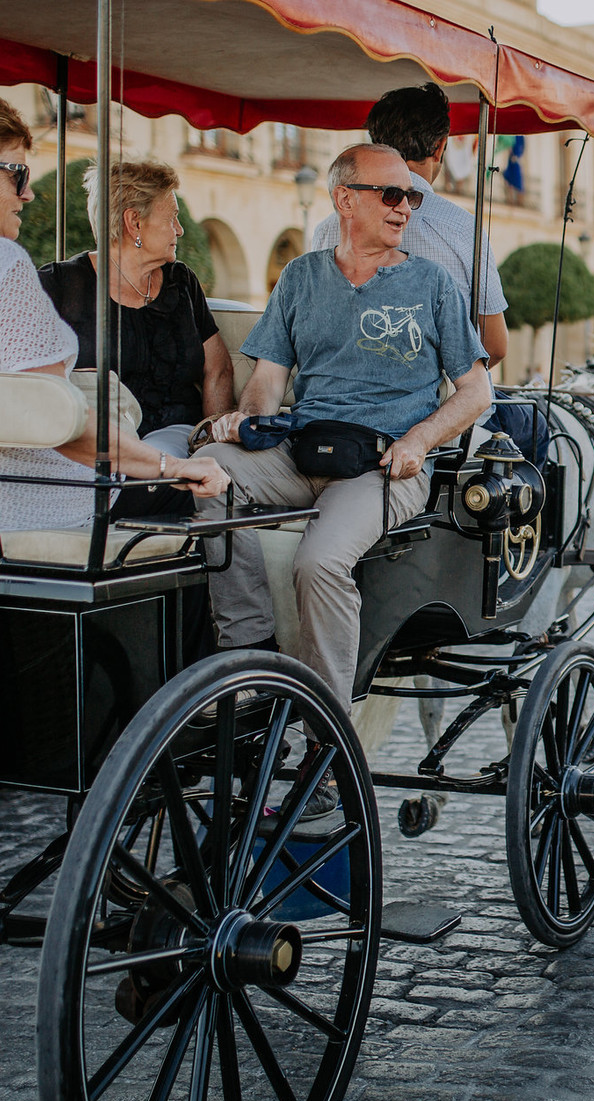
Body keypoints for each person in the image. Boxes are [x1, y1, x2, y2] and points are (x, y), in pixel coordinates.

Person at [194, 144, 491, 704]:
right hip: (301, 450)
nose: (407, 207)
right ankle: (249, 644)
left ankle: (327, 743)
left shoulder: (431, 284)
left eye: (413, 196)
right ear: (344, 201)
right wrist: (248, 422)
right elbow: (270, 377)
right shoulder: (301, 277)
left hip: (383, 465)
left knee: (318, 562)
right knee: (202, 471)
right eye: (393, 194)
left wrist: (419, 439)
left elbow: (476, 389)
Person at [0, 91, 226, 535]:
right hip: (33, 505)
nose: (27, 194)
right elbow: (59, 420)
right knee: (208, 494)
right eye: (17, 174)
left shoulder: (180, 282)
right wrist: (168, 466)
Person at [38, 160, 235, 515]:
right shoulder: (58, 285)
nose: (180, 229)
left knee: (141, 479)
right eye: (172, 217)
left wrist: (216, 439)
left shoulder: (181, 281)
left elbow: (217, 369)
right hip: (98, 437)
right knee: (108, 477)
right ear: (134, 222)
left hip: (174, 433)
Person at [311, 82, 507, 369]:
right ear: (440, 147)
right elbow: (495, 346)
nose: (402, 210)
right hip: (447, 402)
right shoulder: (461, 227)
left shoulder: (328, 228)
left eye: (407, 199)